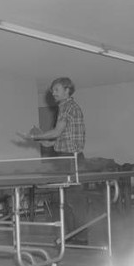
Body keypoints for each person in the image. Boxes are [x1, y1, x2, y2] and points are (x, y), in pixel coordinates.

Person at [18, 76, 88, 243]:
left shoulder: (68, 107)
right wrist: (37, 139)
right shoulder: (64, 107)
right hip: (64, 157)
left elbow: (56, 132)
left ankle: (81, 237)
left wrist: (39, 135)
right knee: (60, 199)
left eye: (56, 89)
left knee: (74, 200)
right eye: (52, 89)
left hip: (71, 159)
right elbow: (55, 140)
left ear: (67, 90)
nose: (53, 92)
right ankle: (70, 236)